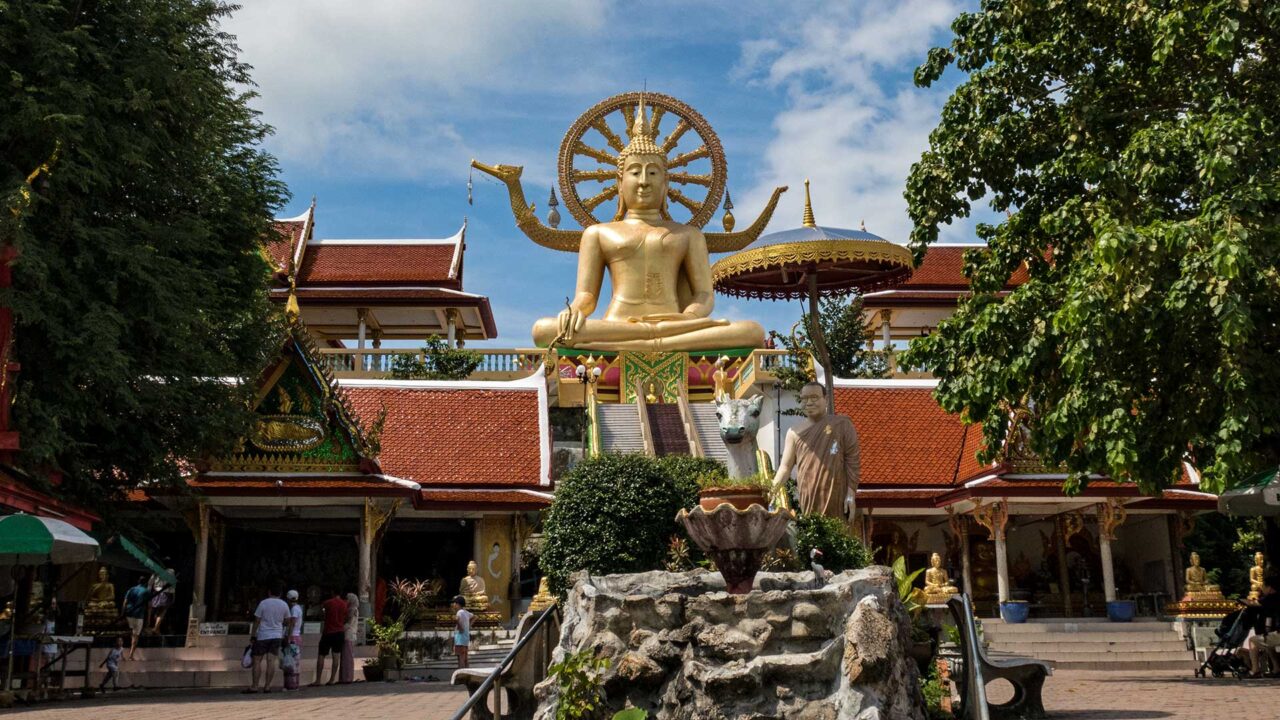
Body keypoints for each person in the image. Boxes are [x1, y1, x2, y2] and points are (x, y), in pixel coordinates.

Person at [771, 381, 861, 519]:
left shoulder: (842, 425)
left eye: (814, 398)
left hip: (836, 496)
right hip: (808, 496)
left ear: (826, 399)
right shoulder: (794, 433)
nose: (809, 403)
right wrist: (772, 491)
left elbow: (852, 462)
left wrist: (851, 494)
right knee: (812, 531)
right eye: (804, 399)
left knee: (837, 535)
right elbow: (785, 468)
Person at [246, 585, 289, 693]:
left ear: (269, 592)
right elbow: (287, 620)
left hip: (263, 635)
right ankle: (267, 686)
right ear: (280, 593)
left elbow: (257, 620)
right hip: (277, 635)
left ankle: (255, 686)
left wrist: (253, 635)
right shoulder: (284, 604)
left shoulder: (263, 603)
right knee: (271, 661)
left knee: (257, 660)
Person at [1246, 571, 1280, 678]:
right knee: (1267, 641)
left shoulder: (1270, 599)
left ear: (1269, 588)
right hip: (1275, 634)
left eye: (1263, 587)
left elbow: (1255, 604)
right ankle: (1276, 668)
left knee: (1253, 640)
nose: (1262, 589)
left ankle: (1255, 669)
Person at [313, 588, 347, 686]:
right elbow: (345, 617)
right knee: (336, 656)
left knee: (321, 655)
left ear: (332, 592)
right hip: (339, 632)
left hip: (328, 631)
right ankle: (332, 679)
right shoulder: (344, 604)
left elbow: (321, 613)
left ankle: (318, 680)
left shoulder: (327, 603)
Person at [121, 576, 149, 660]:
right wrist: (148, 619)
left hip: (129, 614)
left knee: (128, 633)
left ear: (138, 581)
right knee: (135, 636)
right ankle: (131, 655)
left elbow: (125, 602)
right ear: (146, 583)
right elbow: (149, 606)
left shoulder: (131, 589)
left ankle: (122, 654)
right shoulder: (146, 591)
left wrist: (122, 613)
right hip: (139, 616)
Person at [281, 589, 304, 691]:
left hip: (293, 637)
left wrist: (288, 637)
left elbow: (292, 623)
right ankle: (293, 684)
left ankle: (291, 684)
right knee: (294, 662)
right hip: (296, 636)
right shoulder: (298, 608)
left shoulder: (294, 609)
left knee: (290, 662)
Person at [340, 591, 359, 683]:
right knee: (347, 656)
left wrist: (340, 628)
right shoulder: (353, 609)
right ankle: (346, 677)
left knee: (347, 657)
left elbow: (349, 623)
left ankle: (347, 677)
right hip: (350, 634)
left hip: (348, 634)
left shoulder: (352, 609)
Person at [452, 595, 473, 669]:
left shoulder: (459, 612)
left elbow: (456, 620)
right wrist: (469, 625)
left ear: (458, 604)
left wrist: (460, 627)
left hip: (459, 637)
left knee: (460, 656)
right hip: (465, 638)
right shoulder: (466, 612)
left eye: (454, 603)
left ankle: (461, 673)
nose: (453, 605)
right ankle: (467, 673)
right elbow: (475, 617)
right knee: (465, 657)